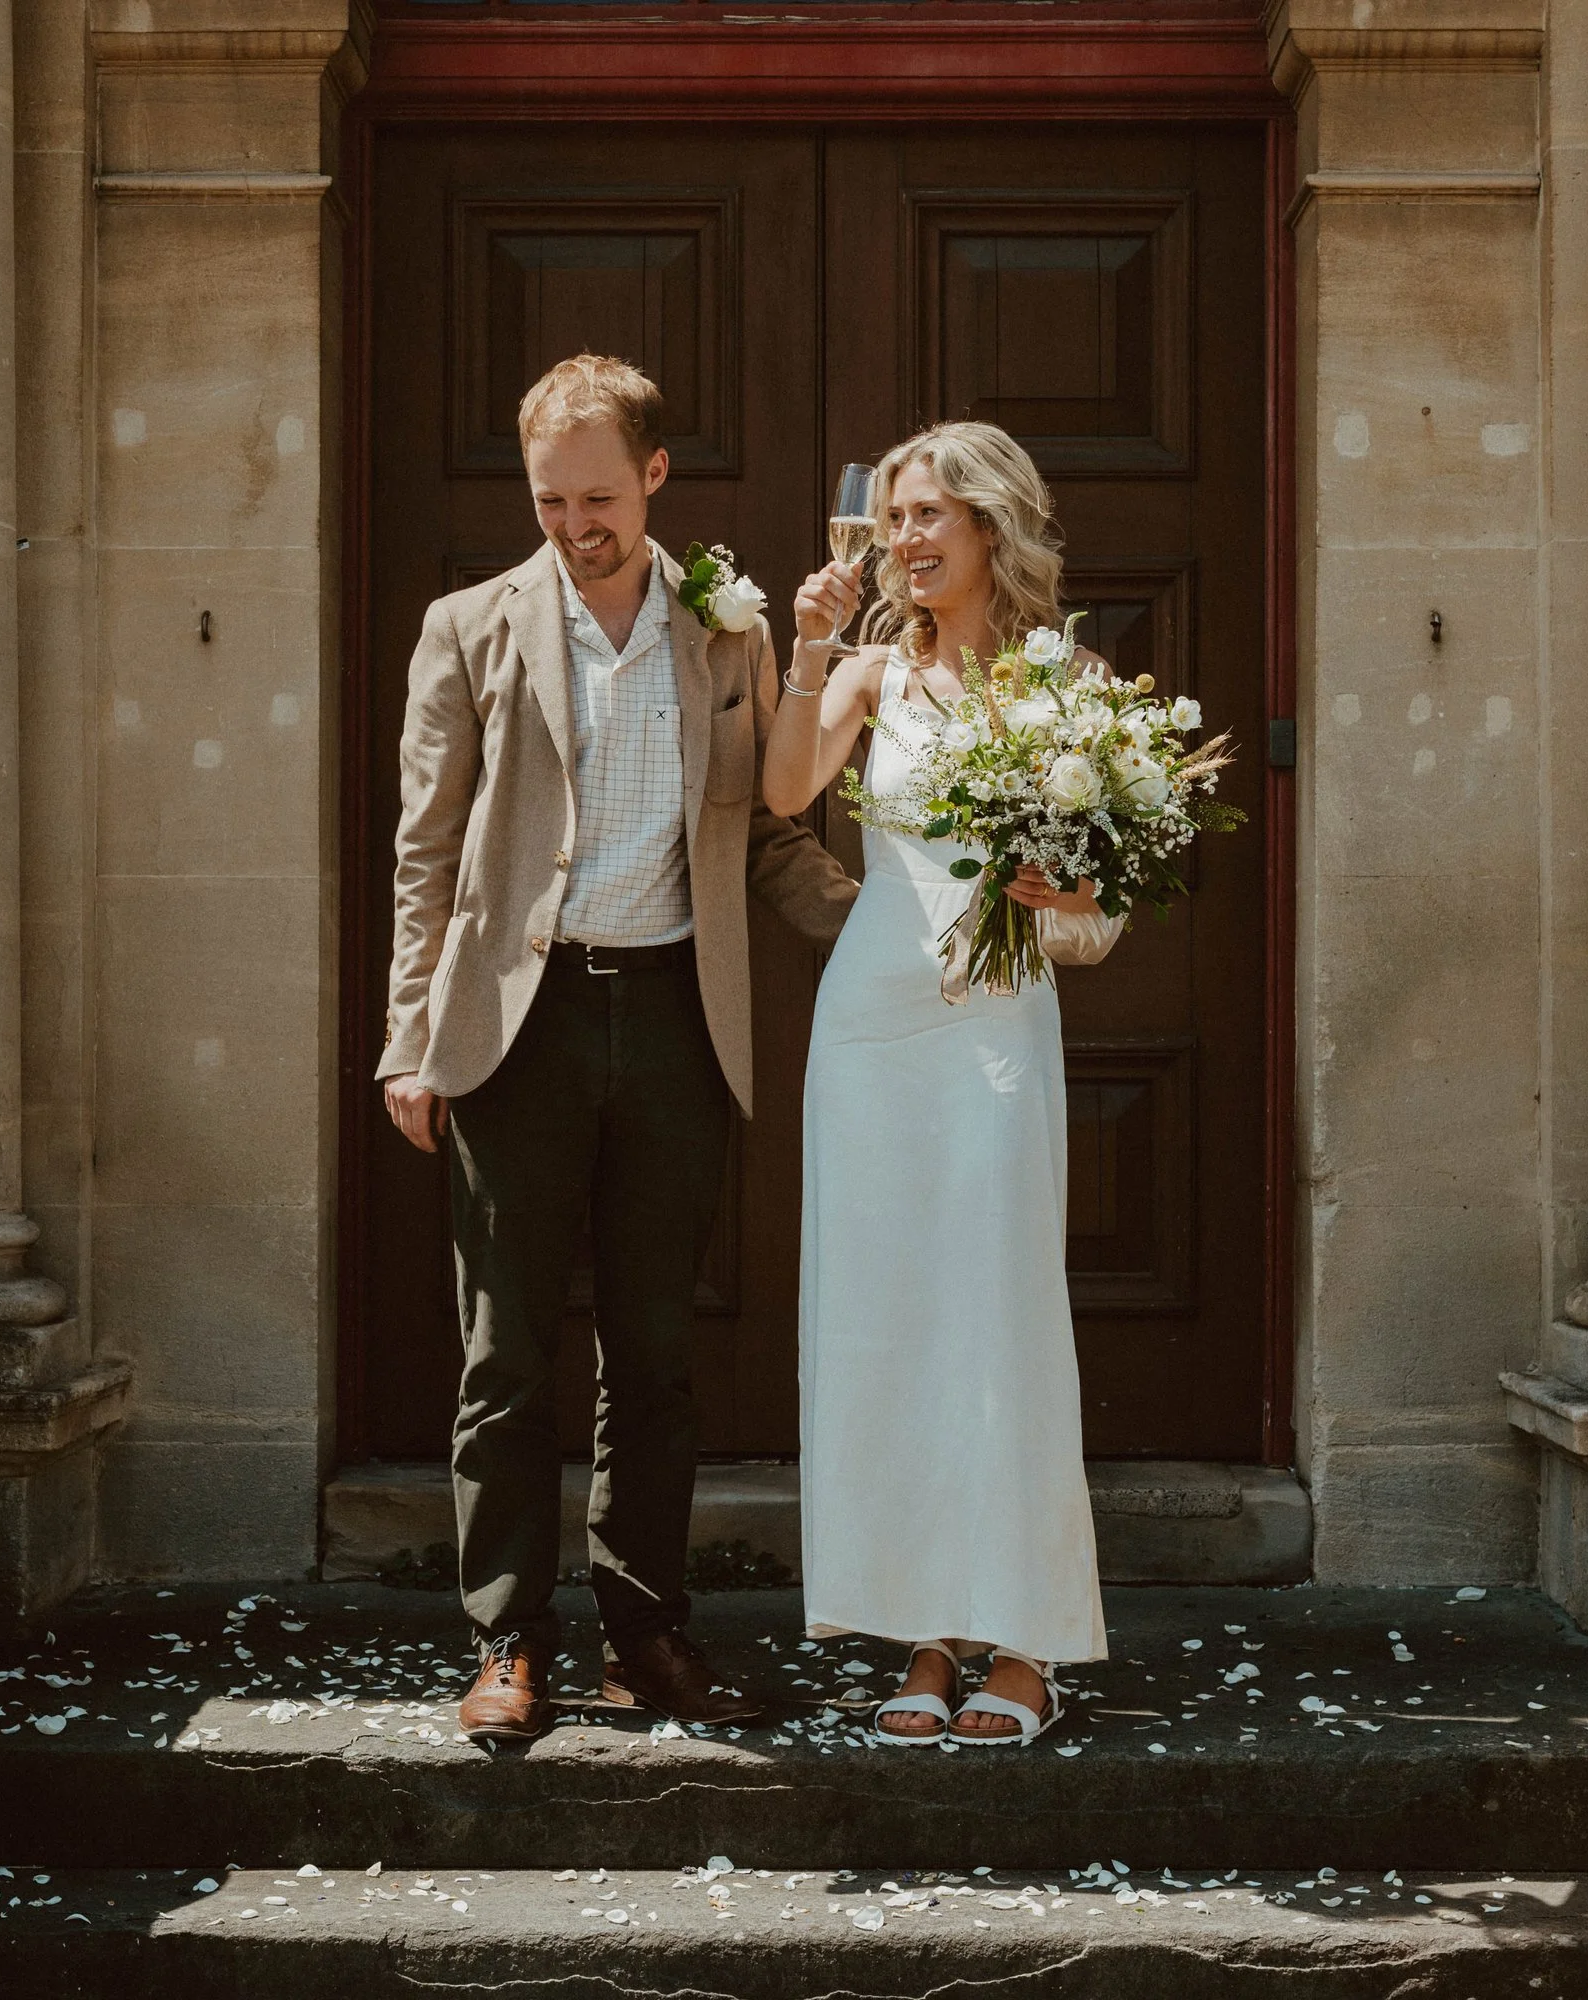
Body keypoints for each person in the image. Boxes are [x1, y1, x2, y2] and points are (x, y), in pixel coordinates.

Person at [379, 354, 857, 1744]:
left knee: (652, 1355)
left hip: (670, 1022)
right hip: (510, 1033)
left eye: (597, 495)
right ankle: (508, 1640)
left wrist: (883, 925)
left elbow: (768, 828)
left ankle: (645, 1633)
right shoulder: (468, 628)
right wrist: (411, 1039)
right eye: (548, 498)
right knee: (504, 1355)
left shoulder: (727, 632)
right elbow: (424, 853)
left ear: (654, 476)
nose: (573, 523)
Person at [763, 420, 1115, 1746]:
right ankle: (920, 1631)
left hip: (996, 1024)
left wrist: (1062, 888)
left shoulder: (1065, 683)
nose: (906, 539)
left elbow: (1099, 896)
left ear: (990, 529)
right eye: (894, 517)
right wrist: (808, 647)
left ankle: (1024, 1645)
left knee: (999, 1321)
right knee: (890, 1322)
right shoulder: (863, 676)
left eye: (929, 517)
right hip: (870, 1025)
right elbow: (786, 785)